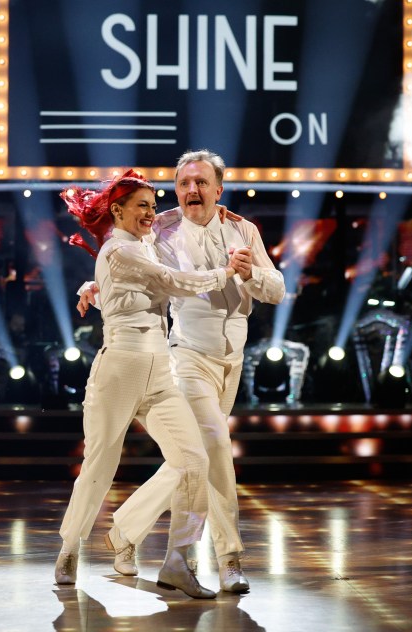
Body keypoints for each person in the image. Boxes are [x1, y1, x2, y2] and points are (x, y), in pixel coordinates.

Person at [78, 150, 285, 593]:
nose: (192, 191)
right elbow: (125, 261)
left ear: (218, 189)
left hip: (232, 361)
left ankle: (125, 530)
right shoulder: (161, 227)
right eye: (184, 183)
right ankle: (223, 558)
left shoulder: (242, 229)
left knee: (190, 461)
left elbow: (277, 289)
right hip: (186, 356)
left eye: (201, 183)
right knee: (216, 455)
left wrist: (251, 277)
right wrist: (93, 286)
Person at [55, 168, 246, 600]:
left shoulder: (141, 247)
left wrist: (96, 286)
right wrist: (225, 274)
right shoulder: (118, 250)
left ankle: (177, 559)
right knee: (100, 466)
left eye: (153, 205)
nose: (151, 212)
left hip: (161, 369)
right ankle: (70, 547)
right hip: (120, 368)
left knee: (194, 462)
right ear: (117, 210)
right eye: (142, 205)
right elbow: (171, 281)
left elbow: (142, 281)